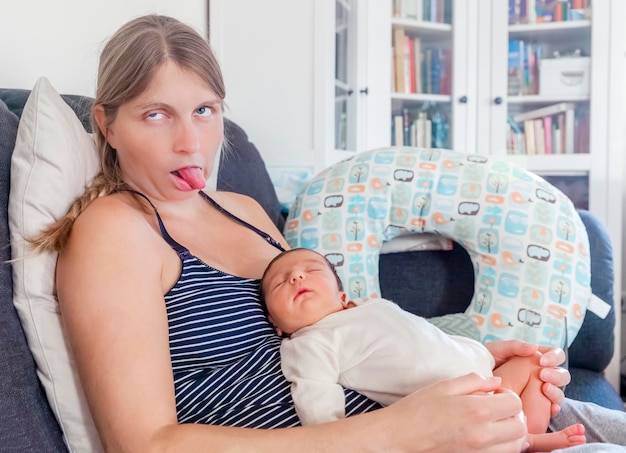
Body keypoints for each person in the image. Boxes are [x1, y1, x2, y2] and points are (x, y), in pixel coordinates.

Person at [29, 13, 626, 452]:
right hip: (381, 437)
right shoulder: (116, 229)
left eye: (205, 110)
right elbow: (146, 443)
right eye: (156, 114)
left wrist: (456, 360)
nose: (190, 142)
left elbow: (333, 330)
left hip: (409, 417)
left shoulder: (243, 208)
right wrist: (401, 431)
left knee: (577, 414)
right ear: (105, 123)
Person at [261, 248, 586, 452]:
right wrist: (333, 433)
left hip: (481, 374)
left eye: (312, 269)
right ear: (277, 323)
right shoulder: (308, 343)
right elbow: (315, 396)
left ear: (343, 296)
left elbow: (429, 336)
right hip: (452, 407)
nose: (296, 276)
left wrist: (484, 354)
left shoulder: (371, 307)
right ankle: (526, 441)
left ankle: (526, 435)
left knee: (535, 362)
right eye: (279, 282)